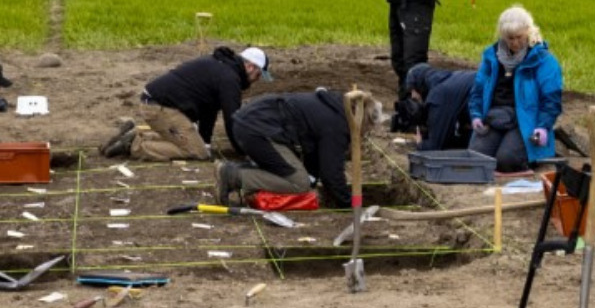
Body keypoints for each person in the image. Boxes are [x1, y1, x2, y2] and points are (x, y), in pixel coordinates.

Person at [216, 89, 384, 209]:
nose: (363, 135)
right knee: (298, 182)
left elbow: (315, 152)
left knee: (299, 176)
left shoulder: (335, 107)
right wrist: (349, 204)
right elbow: (330, 173)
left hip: (252, 123)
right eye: (366, 130)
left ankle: (241, 174)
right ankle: (233, 175)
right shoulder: (337, 126)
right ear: (362, 120)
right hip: (259, 130)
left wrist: (312, 178)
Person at [101, 46, 271, 161]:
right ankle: (135, 145)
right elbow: (233, 120)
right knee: (196, 153)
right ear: (250, 67)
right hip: (160, 108)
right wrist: (244, 152)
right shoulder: (230, 79)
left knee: (198, 146)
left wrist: (205, 141)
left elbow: (209, 108)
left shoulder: (223, 68)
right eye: (258, 75)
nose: (257, 80)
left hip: (160, 103)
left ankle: (136, 133)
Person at [468, 5, 563, 173]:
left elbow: (551, 100)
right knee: (476, 159)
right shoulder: (491, 58)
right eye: (510, 38)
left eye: (519, 37)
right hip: (496, 117)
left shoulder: (544, 61)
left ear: (528, 31)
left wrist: (542, 126)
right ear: (502, 36)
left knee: (507, 161)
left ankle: (538, 153)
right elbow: (478, 88)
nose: (515, 43)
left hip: (526, 122)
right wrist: (475, 115)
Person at [401, 63, 475, 151]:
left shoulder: (437, 96)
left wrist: (421, 144)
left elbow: (435, 147)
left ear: (420, 86)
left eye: (413, 90)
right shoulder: (449, 78)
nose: (413, 96)